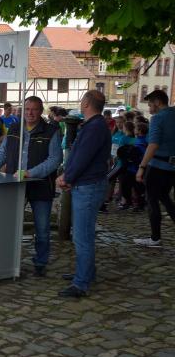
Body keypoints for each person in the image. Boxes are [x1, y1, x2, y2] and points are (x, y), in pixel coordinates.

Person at [0, 97, 62, 276]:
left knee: (42, 228)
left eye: (34, 109)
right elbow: (3, 152)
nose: (30, 113)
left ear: (41, 111)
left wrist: (31, 173)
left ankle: (40, 263)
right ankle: (7, 261)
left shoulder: (51, 131)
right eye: (27, 109)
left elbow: (55, 159)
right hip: (13, 186)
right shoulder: (14, 128)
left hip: (41, 186)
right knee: (8, 224)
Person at [56, 90, 111, 298]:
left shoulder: (95, 127)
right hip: (87, 184)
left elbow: (82, 157)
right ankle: (86, 272)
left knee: (82, 236)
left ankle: (81, 283)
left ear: (86, 103)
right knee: (83, 234)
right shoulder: (94, 125)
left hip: (88, 186)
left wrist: (67, 177)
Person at [134, 89, 175, 247]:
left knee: (152, 201)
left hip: (157, 166)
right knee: (165, 198)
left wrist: (142, 167)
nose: (149, 108)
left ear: (158, 102)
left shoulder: (158, 118)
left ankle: (155, 238)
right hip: (172, 167)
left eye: (150, 105)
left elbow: (153, 145)